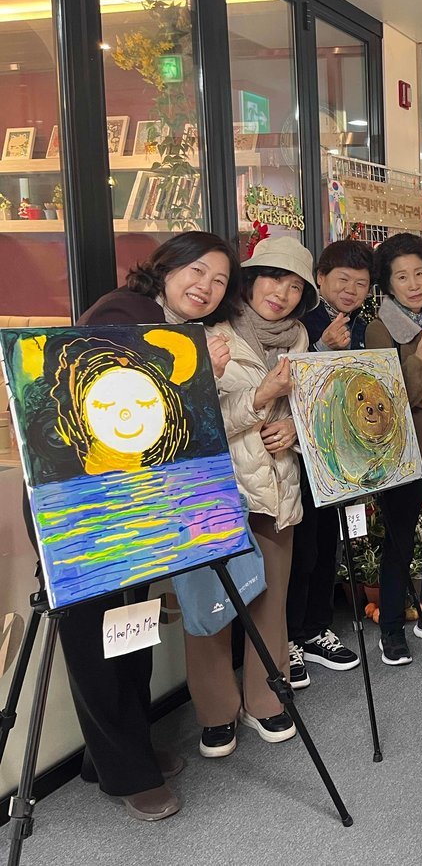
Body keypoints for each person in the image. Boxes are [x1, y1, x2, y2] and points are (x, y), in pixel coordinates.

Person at [54, 231, 239, 821]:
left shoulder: (173, 330)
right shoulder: (124, 314)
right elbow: (118, 413)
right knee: (96, 642)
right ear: (167, 266)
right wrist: (196, 377)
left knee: (128, 634)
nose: (206, 287)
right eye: (197, 271)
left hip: (136, 509)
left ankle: (111, 753)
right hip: (86, 513)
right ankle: (126, 773)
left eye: (219, 281)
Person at [186, 236, 316, 758]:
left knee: (270, 599)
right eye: (273, 278)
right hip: (220, 491)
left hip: (278, 486)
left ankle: (267, 698)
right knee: (211, 602)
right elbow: (194, 421)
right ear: (251, 280)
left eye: (294, 286)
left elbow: (309, 404)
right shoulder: (208, 334)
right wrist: (262, 397)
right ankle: (216, 710)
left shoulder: (300, 337)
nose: (281, 293)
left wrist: (296, 431)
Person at [284, 240, 373, 689]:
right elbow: (285, 385)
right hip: (299, 458)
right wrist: (321, 347)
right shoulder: (300, 323)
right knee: (300, 552)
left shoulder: (364, 327)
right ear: (320, 279)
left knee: (326, 548)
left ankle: (317, 628)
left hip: (339, 457)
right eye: (342, 280)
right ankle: (288, 638)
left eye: (361, 283)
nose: (351, 290)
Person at [367, 232, 422, 666]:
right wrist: (419, 362)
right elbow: (386, 397)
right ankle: (390, 627)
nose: (413, 284)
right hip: (403, 453)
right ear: (388, 284)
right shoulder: (379, 329)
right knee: (399, 541)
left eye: (419, 273)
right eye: (401, 276)